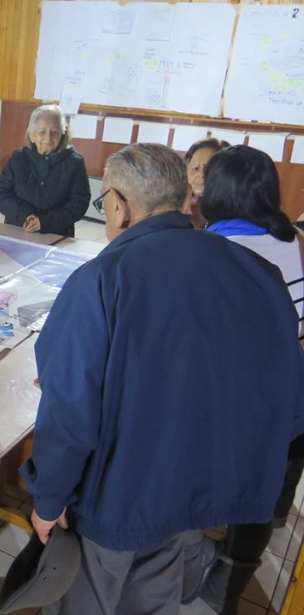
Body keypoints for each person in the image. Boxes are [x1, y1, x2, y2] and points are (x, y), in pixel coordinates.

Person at [20, 143, 304, 614]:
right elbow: (286, 399)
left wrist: (48, 500)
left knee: (87, 599)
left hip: (117, 501)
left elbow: (69, 415)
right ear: (186, 199)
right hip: (195, 495)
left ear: (119, 205)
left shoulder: (101, 279)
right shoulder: (259, 270)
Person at [182, 145, 304, 614]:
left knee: (198, 486)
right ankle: (229, 586)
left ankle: (191, 578)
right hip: (283, 398)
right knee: (260, 495)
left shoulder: (217, 250)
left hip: (227, 403)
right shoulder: (291, 237)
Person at [0, 104, 90, 237]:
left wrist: (43, 221)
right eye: (42, 132)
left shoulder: (74, 162)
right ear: (32, 135)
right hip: (17, 229)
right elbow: (0, 193)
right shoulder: (18, 158)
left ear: (63, 134)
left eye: (54, 132)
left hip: (56, 233)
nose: (48, 138)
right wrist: (25, 215)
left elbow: (79, 203)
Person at [182, 137, 230, 228]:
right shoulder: (174, 210)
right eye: (195, 168)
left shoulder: (232, 218)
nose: (201, 174)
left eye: (209, 169)